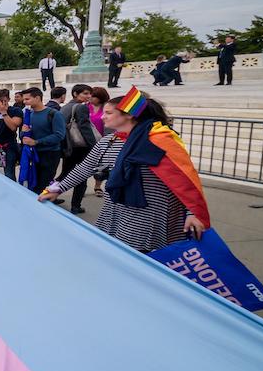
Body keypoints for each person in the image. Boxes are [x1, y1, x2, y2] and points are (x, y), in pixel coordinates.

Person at [39, 89, 209, 252]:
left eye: (109, 113)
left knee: (144, 258)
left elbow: (185, 180)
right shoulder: (108, 141)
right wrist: (57, 188)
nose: (102, 117)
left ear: (128, 115)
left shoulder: (160, 140)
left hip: (150, 213)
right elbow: (85, 168)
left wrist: (192, 212)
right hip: (117, 209)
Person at [58, 85, 99, 214]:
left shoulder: (65, 107)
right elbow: (85, 128)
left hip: (69, 147)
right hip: (81, 147)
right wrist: (95, 147)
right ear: (75, 93)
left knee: (64, 174)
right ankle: (76, 205)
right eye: (85, 93)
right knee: (82, 177)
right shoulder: (81, 107)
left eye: (89, 94)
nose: (88, 96)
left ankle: (48, 192)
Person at [20, 87, 66, 194]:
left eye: (27, 99)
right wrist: (23, 133)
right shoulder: (28, 114)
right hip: (33, 155)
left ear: (37, 98)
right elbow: (25, 136)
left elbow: (59, 135)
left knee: (44, 185)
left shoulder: (54, 114)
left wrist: (36, 142)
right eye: (24, 99)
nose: (25, 102)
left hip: (50, 154)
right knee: (34, 184)